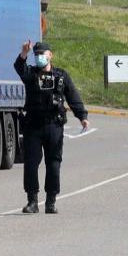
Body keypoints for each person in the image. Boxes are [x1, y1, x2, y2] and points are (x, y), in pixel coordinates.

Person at [14, 41, 88, 214]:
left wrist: (82, 116)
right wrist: (24, 53)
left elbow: (73, 96)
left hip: (54, 125)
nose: (40, 56)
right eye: (37, 54)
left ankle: (51, 201)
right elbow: (19, 67)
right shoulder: (31, 74)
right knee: (31, 164)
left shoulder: (61, 76)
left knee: (53, 163)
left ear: (50, 55)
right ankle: (32, 201)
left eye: (43, 53)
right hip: (33, 125)